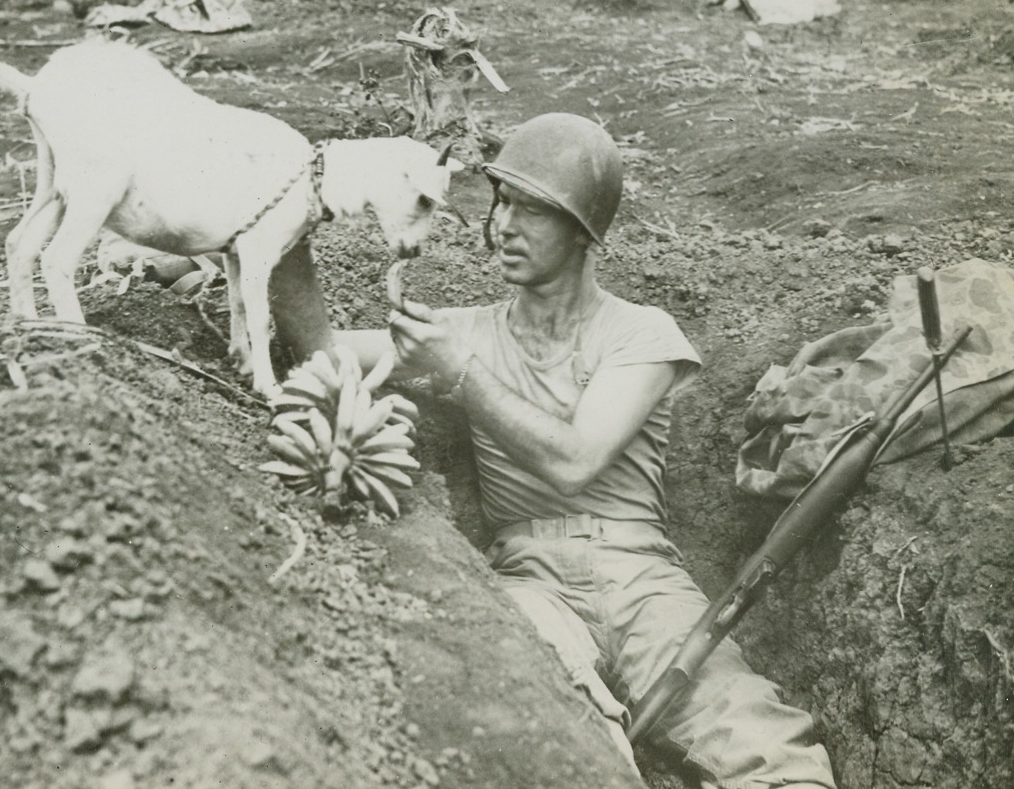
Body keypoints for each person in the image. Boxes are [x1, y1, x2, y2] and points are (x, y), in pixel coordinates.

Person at [340, 113, 836, 788]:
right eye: (502, 201)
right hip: (528, 580)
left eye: (532, 211)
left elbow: (576, 459)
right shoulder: (463, 332)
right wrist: (281, 247)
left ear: (583, 232)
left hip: (642, 579)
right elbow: (321, 350)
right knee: (550, 741)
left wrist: (461, 375)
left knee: (767, 751)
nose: (503, 226)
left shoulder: (639, 333)